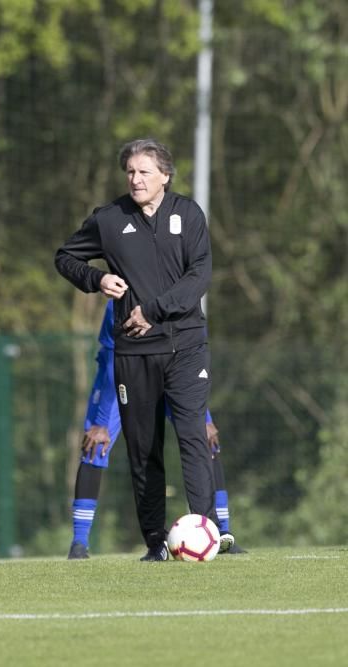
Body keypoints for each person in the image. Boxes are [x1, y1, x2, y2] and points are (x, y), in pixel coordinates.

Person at [55, 138, 218, 562]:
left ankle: (203, 530)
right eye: (130, 171)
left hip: (185, 347)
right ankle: (154, 543)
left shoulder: (189, 214)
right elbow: (65, 257)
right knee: (144, 449)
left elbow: (199, 275)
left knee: (192, 438)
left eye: (144, 171)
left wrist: (154, 310)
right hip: (133, 353)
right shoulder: (109, 220)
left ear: (165, 175)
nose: (136, 178)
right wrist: (96, 281)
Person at [67, 300, 243, 559]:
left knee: (205, 440)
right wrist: (102, 422)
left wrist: (203, 417)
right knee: (95, 446)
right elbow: (110, 362)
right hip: (123, 374)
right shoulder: (116, 305)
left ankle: (223, 534)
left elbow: (194, 357)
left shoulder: (183, 301)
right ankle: (79, 543)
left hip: (174, 374)